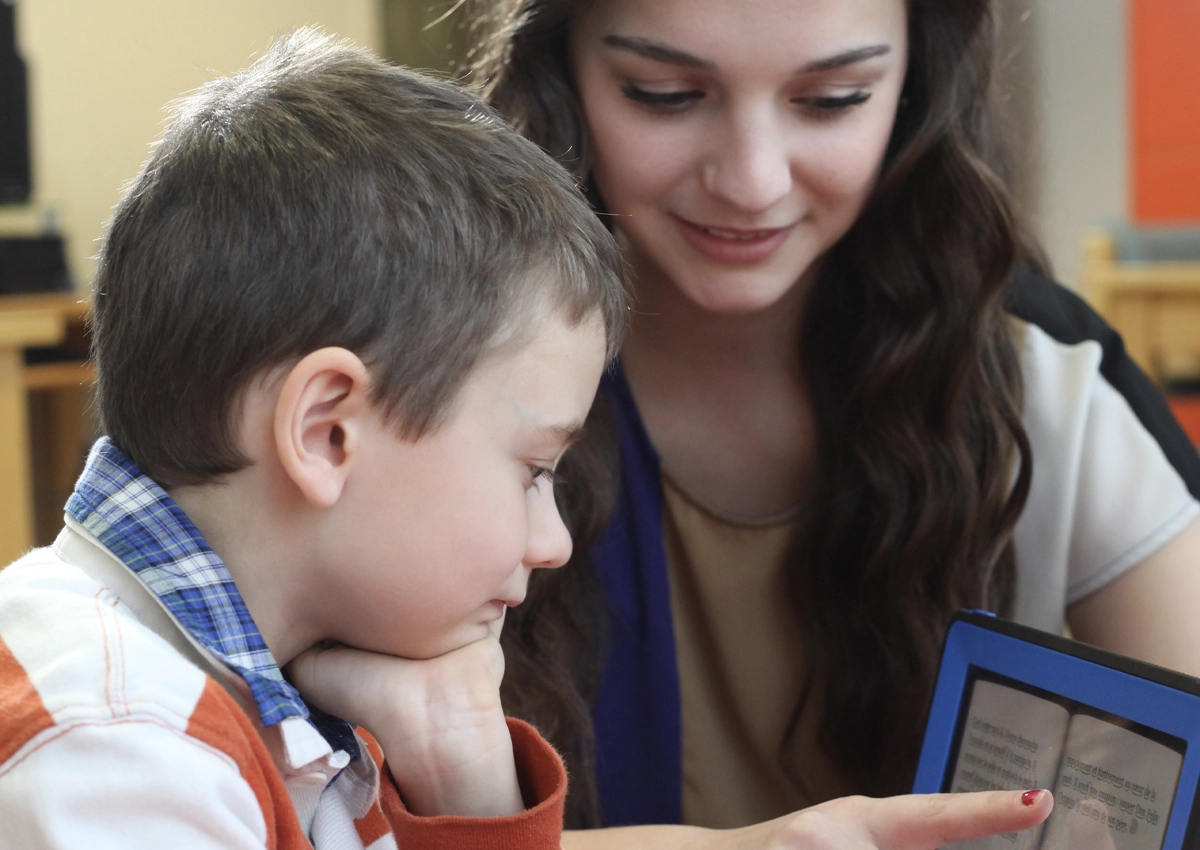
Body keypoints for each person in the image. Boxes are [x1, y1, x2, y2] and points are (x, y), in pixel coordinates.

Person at [468, 0, 1200, 845]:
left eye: (832, 100)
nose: (752, 181)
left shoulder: (1035, 383)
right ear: (560, 73)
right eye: (663, 93)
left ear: (915, 87)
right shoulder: (431, 388)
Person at [0, 28, 629, 848]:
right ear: (328, 432)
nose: (553, 544)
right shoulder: (121, 747)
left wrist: (458, 759)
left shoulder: (273, 695)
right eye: (534, 471)